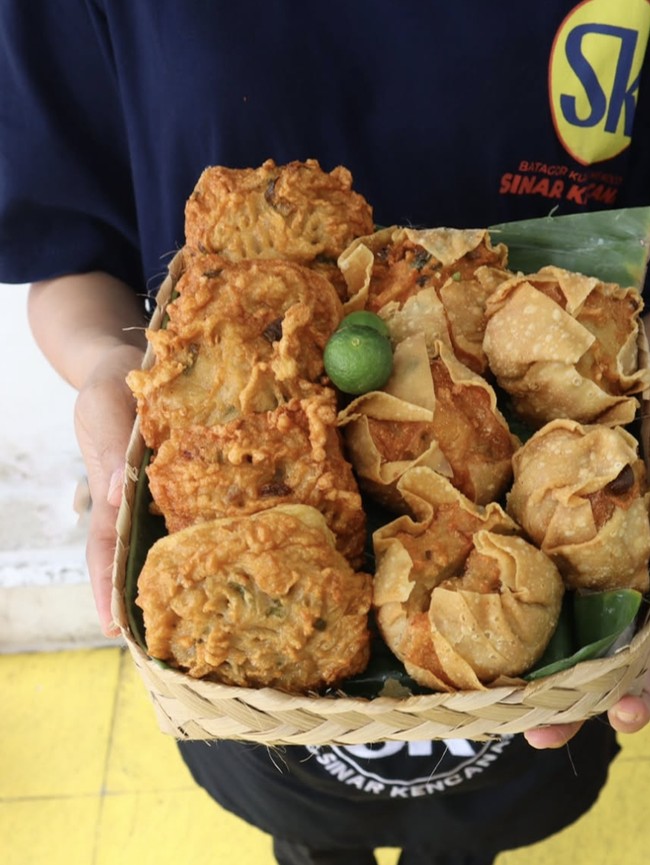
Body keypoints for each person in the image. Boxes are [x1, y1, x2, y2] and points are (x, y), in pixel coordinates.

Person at [2, 3, 650, 863]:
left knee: (480, 834)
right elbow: (68, 253)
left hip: (537, 701)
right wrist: (103, 368)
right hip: (258, 708)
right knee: (305, 835)